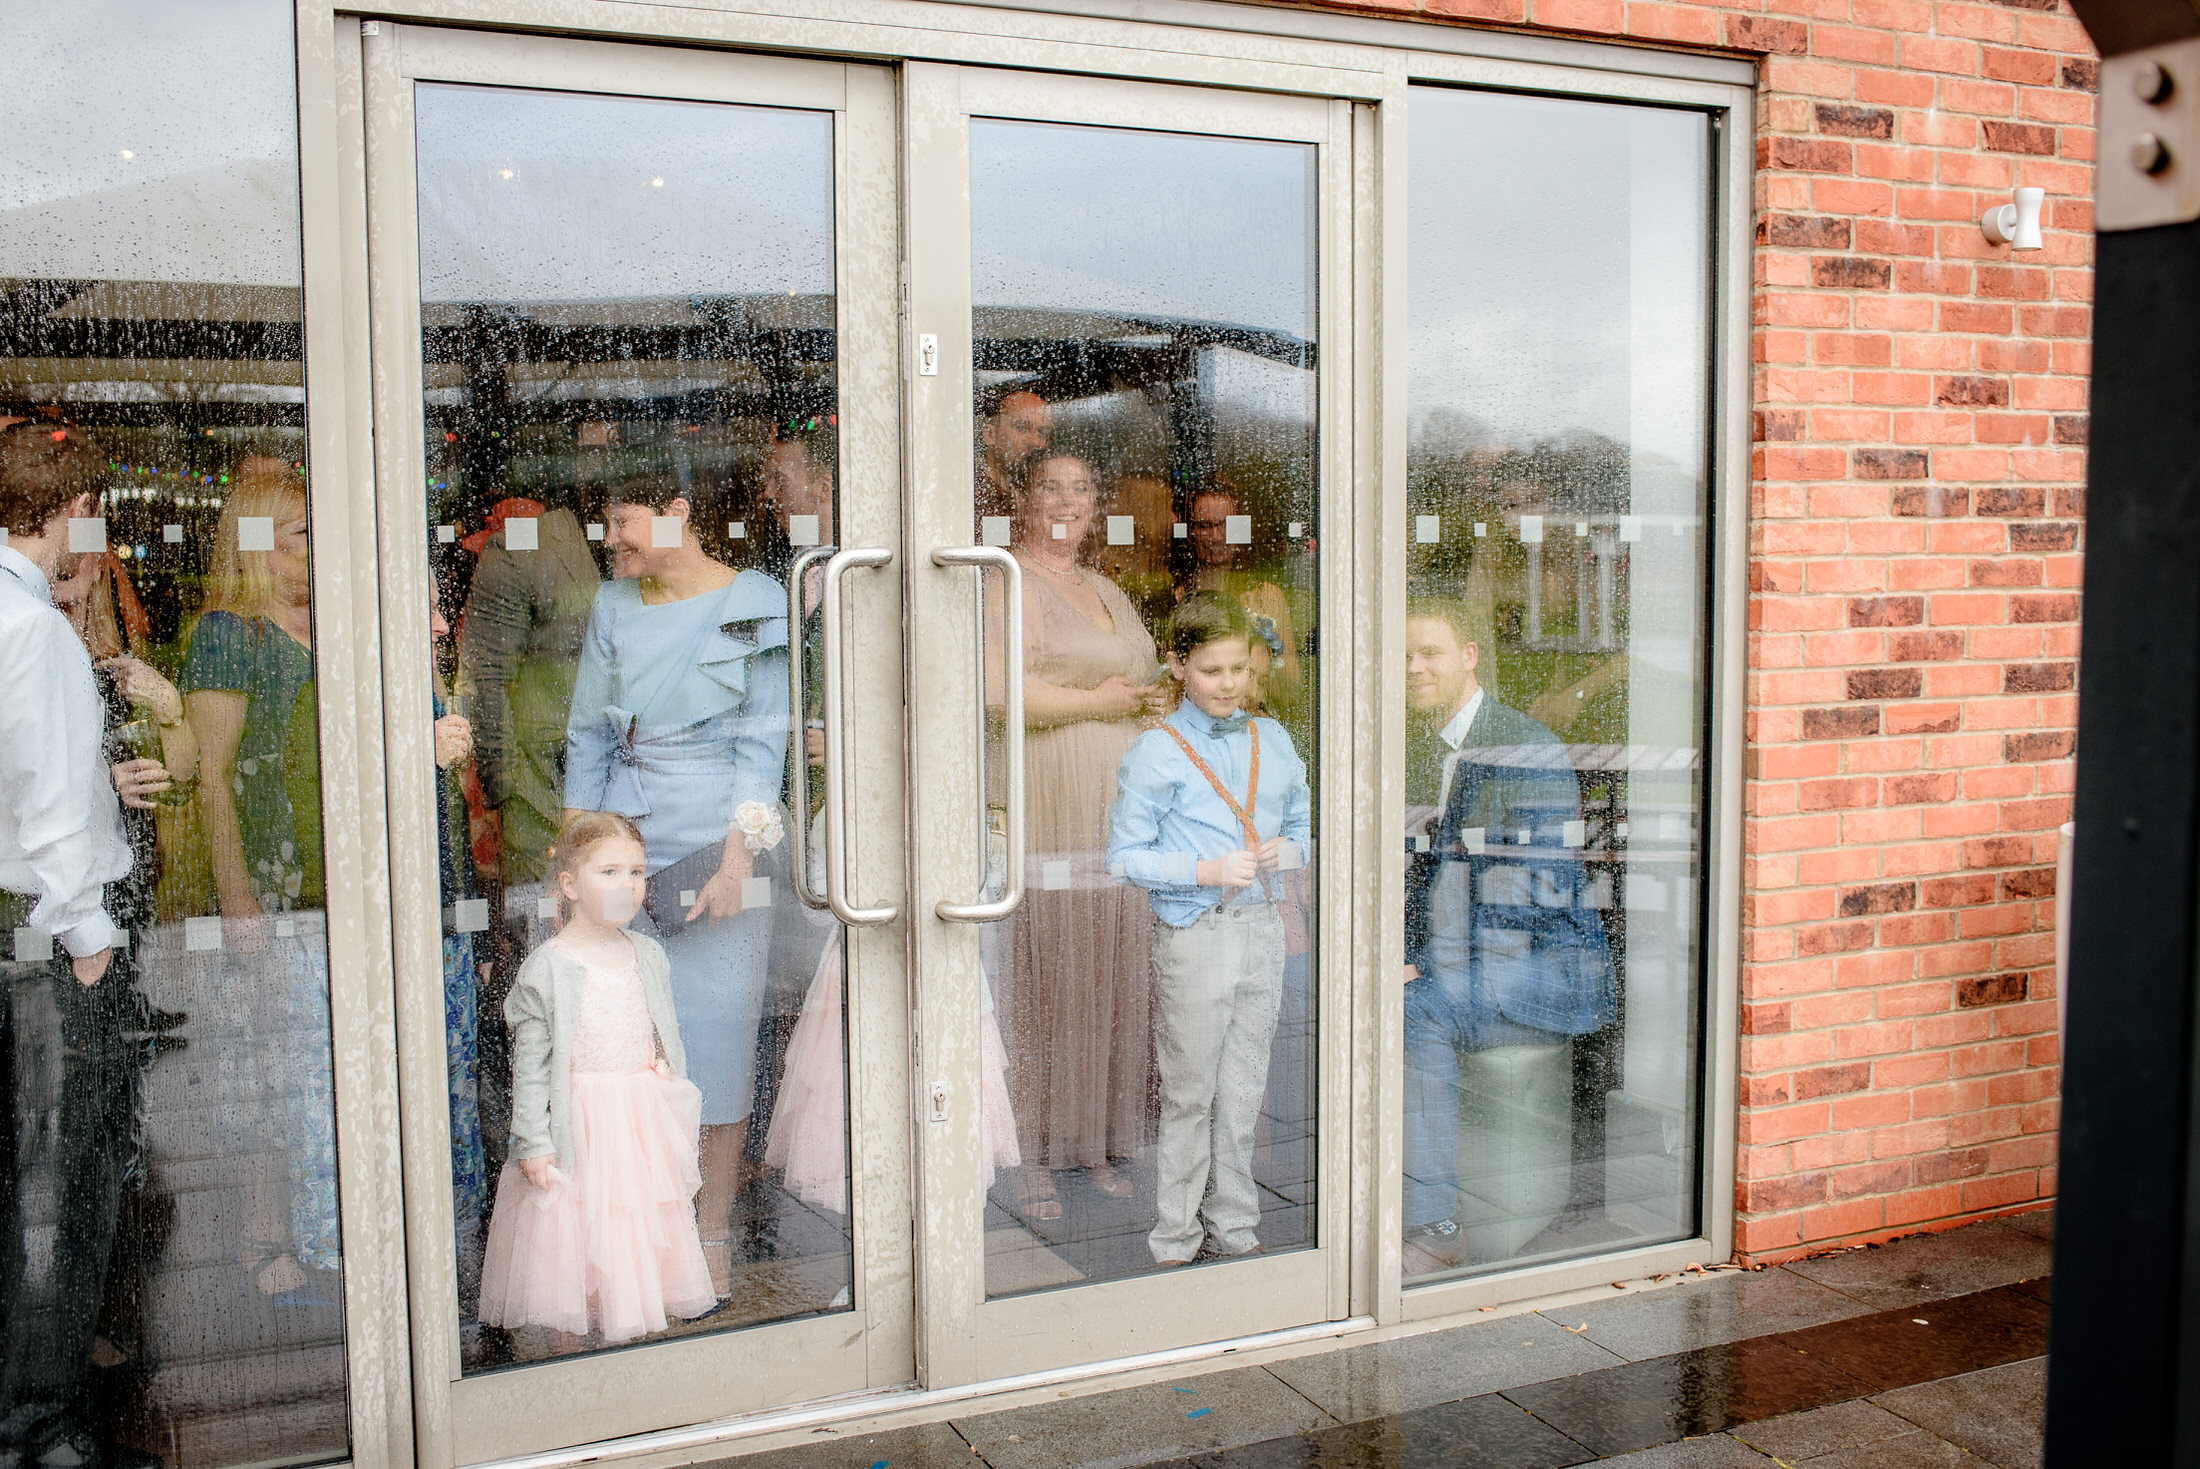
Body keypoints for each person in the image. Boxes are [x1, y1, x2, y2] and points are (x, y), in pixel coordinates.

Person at [561, 469, 788, 1288]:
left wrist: (737, 861)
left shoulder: (756, 597)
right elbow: (588, 733)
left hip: (719, 858)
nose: (611, 541)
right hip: (623, 854)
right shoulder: (614, 604)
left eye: (623, 521)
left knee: (717, 1047)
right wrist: (576, 865)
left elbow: (766, 748)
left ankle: (714, 1228)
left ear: (677, 513)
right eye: (605, 527)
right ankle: (643, 1231)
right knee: (628, 1051)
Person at [0, 421, 162, 1469]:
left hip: (25, 933)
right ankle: (41, 1427)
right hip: (55, 943)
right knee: (65, 1183)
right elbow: (51, 804)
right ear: (66, 512)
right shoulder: (31, 628)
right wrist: (92, 940)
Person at [1400, 598, 1616, 1272]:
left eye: (1429, 652)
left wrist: (1426, 968)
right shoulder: (1424, 744)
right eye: (1404, 656)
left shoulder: (1523, 746)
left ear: (1469, 656)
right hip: (1479, 954)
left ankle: (1436, 1227)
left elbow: (1530, 891)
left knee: (1416, 1010)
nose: (1414, 668)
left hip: (1547, 965)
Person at [1108, 593, 1310, 1266]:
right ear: (1179, 665)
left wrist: (1295, 849)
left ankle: (1236, 1226)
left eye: (1239, 670)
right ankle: (1174, 1236)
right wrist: (1204, 868)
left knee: (1245, 1085)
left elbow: (1308, 822)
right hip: (1196, 936)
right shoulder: (1155, 752)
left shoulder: (1273, 740)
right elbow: (1124, 856)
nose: (1228, 685)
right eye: (1212, 670)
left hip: (1261, 928)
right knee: (1191, 1089)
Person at [988, 451, 1166, 1216]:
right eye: (1050, 487)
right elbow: (999, 693)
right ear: (1022, 499)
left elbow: (1140, 675)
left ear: (1098, 505)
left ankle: (1090, 1139)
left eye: (1082, 489)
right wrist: (1102, 701)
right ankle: (1028, 1152)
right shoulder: (1005, 578)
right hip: (1052, 785)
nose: (1067, 500)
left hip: (1117, 798)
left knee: (1108, 958)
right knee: (1047, 966)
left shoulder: (1102, 587)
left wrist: (1153, 703)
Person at [182, 465, 340, 1299]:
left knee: (317, 1063)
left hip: (333, 876)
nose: (317, 549)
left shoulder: (338, 622)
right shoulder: (227, 633)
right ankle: (261, 1237)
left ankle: (322, 1227)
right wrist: (235, 891)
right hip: (268, 879)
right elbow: (211, 775)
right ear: (257, 548)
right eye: (301, 536)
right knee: (262, 1064)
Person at [477, 811, 716, 1348]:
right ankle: (571, 1358)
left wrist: (664, 1074)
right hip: (576, 1128)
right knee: (572, 1245)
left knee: (631, 1234)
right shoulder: (550, 966)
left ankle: (620, 1353)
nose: (628, 886)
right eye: (609, 872)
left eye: (636, 873)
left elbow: (660, 1026)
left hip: (635, 1123)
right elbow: (532, 1068)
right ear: (568, 885)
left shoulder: (647, 953)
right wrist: (532, 1143)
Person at [456, 493, 601, 904]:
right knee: (557, 903)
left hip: (572, 765)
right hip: (544, 771)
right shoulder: (534, 548)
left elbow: (487, 674)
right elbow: (488, 674)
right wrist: (505, 783)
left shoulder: (528, 552)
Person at [1181, 480, 1303, 715]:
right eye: (1204, 526)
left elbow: (1292, 689)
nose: (1216, 537)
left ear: (1242, 527)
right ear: (1189, 531)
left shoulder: (1265, 596)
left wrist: (1263, 659)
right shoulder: (1176, 597)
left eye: (1225, 525)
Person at [975, 387, 1051, 524]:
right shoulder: (970, 490)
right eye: (1022, 427)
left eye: (1042, 433)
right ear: (990, 434)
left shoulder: (1041, 493)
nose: (1035, 442)